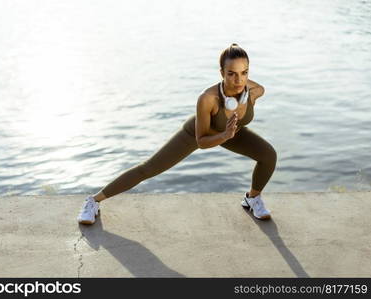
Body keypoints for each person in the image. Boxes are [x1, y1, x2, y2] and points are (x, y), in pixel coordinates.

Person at [77, 43, 277, 224]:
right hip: (200, 133)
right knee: (148, 169)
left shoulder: (253, 90)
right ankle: (93, 201)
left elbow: (255, 91)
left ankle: (252, 198)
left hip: (231, 131)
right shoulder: (208, 98)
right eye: (231, 73)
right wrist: (224, 135)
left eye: (244, 72)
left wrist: (230, 131)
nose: (239, 79)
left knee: (268, 155)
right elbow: (202, 142)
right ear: (222, 73)